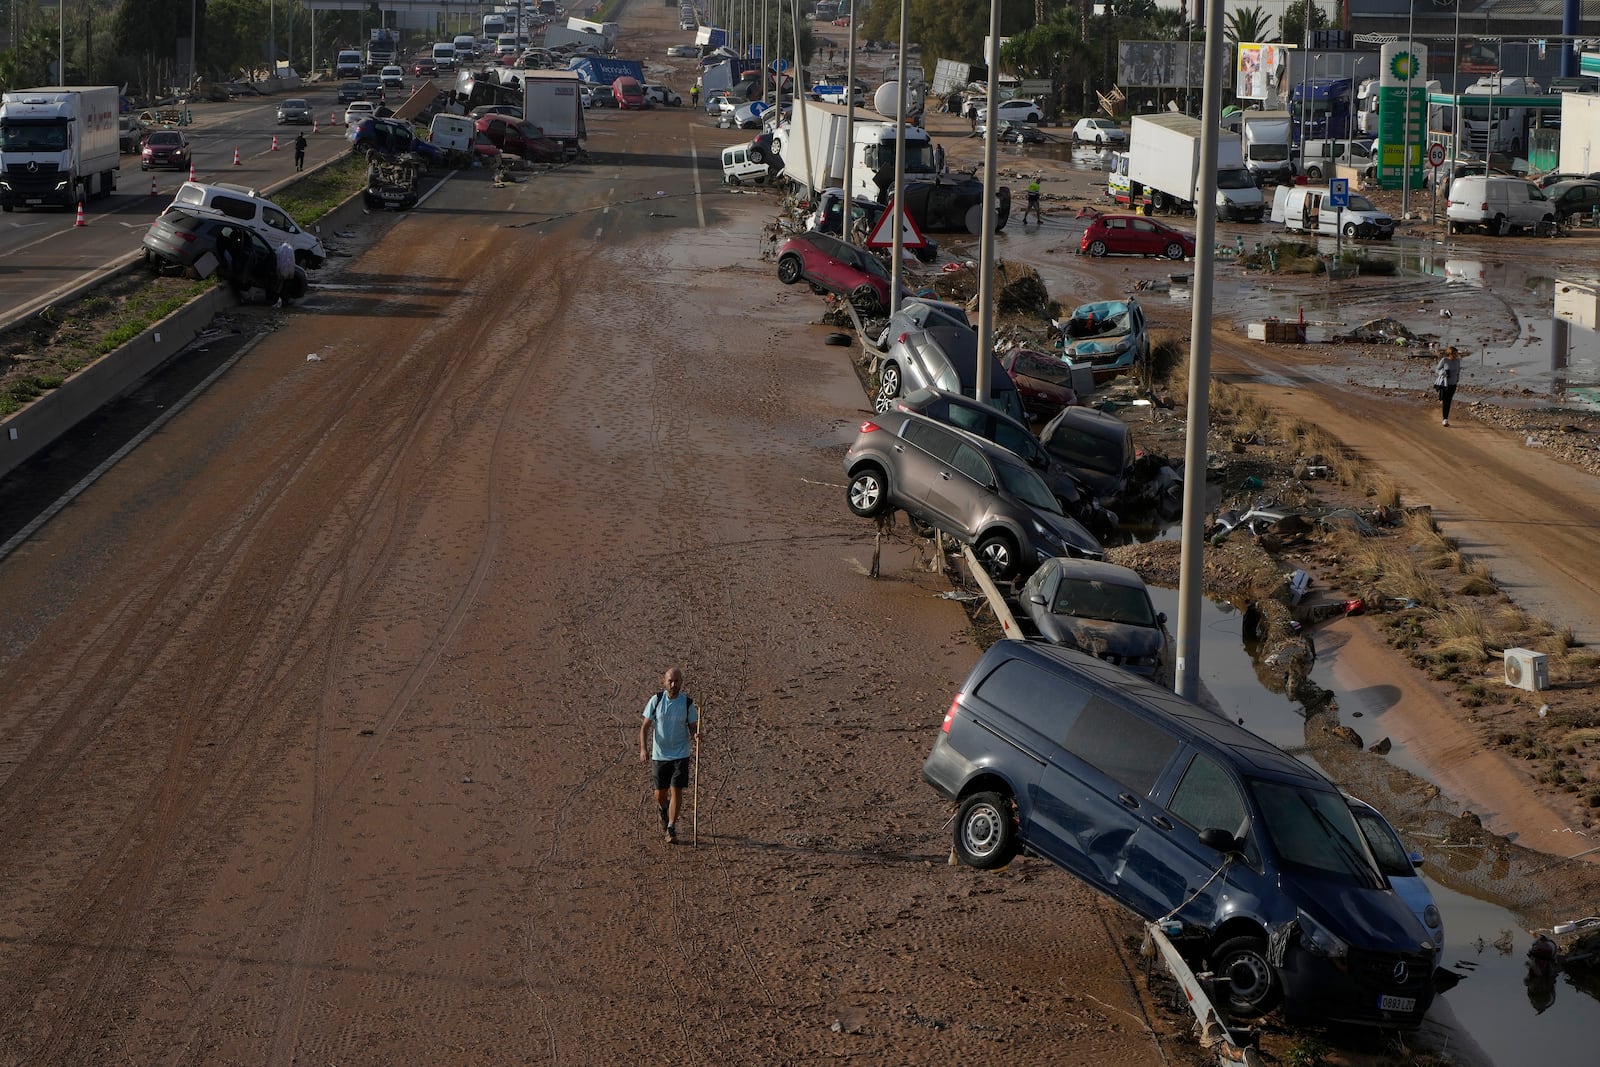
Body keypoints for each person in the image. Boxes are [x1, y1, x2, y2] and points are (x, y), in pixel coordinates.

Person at [639, 667, 698, 844]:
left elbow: (693, 726)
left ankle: (671, 827)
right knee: (660, 794)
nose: (673, 684)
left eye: (677, 681)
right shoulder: (656, 700)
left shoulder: (687, 703)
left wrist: (696, 734)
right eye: (670, 681)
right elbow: (645, 727)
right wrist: (644, 749)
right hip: (660, 755)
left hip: (681, 754)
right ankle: (663, 808)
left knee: (676, 789)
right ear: (664, 682)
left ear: (681, 682)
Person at [1434, 346, 1462, 426]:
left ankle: (1445, 417)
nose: (1456, 355)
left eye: (1456, 354)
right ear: (1450, 354)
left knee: (1449, 401)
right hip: (1445, 384)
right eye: (1454, 354)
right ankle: (1445, 419)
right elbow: (1437, 369)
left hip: (1453, 384)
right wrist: (1443, 373)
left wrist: (1457, 379)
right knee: (1446, 401)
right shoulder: (1444, 360)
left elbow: (1458, 371)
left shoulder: (1457, 361)